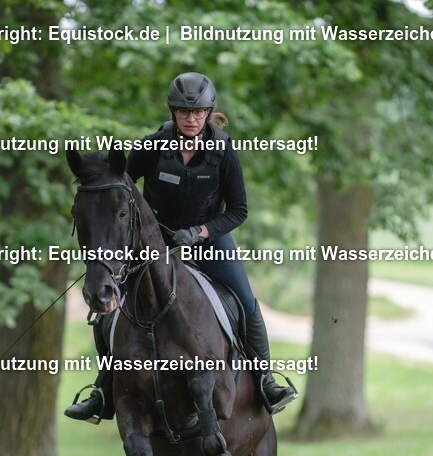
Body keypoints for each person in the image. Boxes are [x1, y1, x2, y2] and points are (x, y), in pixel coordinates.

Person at [65, 72, 297, 423]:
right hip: (155, 242)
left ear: (208, 113)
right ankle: (103, 388)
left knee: (246, 302)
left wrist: (201, 231)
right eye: (184, 113)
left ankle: (266, 380)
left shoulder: (223, 151)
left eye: (199, 113)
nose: (191, 119)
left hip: (210, 240)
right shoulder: (152, 146)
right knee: (111, 309)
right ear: (173, 112)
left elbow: (239, 210)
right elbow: (120, 185)